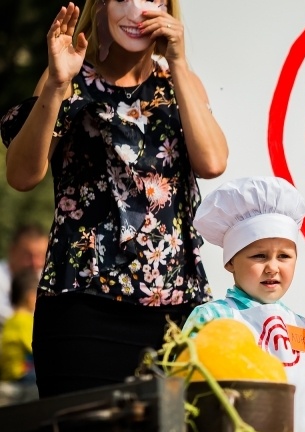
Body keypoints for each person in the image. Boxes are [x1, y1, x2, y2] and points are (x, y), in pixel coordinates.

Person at [0, 1, 228, 397]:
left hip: (175, 308)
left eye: (153, 0)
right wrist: (56, 86)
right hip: (82, 309)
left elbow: (212, 162)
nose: (137, 11)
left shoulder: (179, 80)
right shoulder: (67, 76)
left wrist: (177, 62)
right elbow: (21, 175)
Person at [185, 176, 305, 432]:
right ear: (230, 262)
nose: (273, 267)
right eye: (259, 256)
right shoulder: (211, 317)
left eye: (284, 256)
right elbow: (189, 393)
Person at [0, 269, 40, 406]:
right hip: (20, 374)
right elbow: (34, 347)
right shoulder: (24, 320)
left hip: (10, 374)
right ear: (30, 296)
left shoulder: (11, 319)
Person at [0, 224, 48, 325]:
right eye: (28, 256)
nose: (35, 263)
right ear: (12, 251)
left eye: (40, 256)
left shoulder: (47, 280)